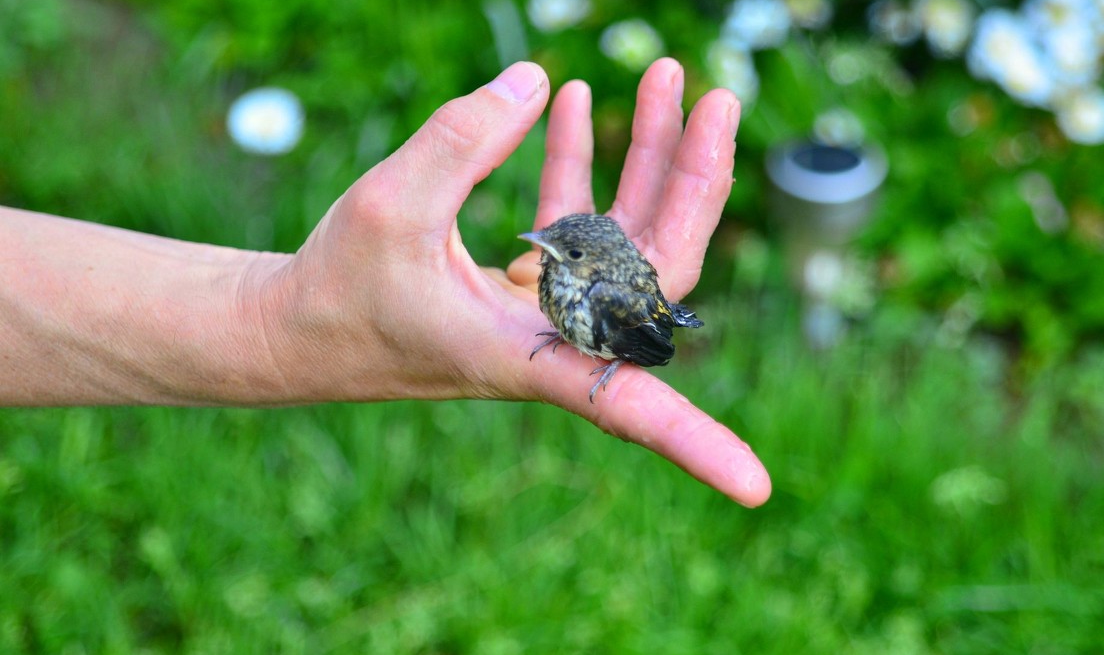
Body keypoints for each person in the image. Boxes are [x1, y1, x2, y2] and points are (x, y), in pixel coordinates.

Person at [0, 58, 771, 507]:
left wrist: (614, 358)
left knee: (644, 321)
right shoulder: (555, 281)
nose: (542, 253)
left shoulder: (616, 299)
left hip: (622, 325)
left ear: (591, 266)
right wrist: (275, 319)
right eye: (549, 246)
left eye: (559, 255)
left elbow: (649, 338)